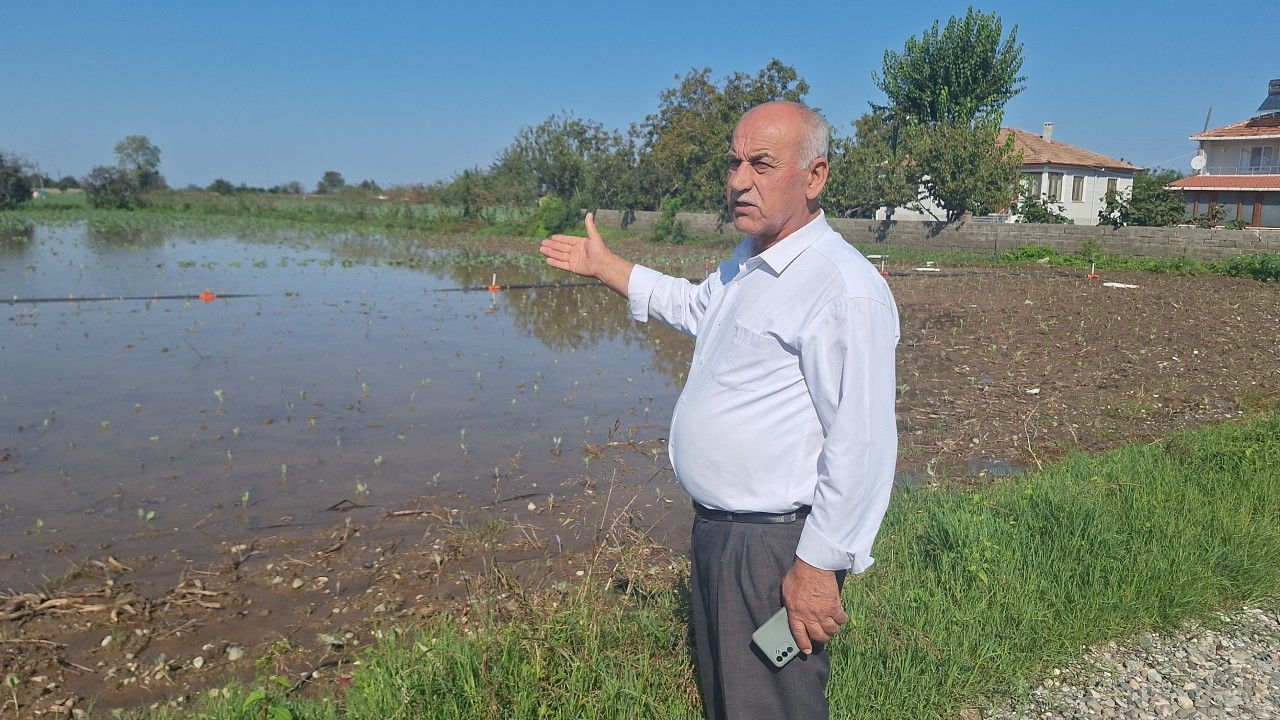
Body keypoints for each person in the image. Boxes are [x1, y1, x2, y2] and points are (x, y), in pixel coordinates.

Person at [539, 101, 899, 720]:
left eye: (761, 164)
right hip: (719, 535)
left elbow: (863, 444)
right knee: (729, 701)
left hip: (775, 547)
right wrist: (606, 267)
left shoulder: (841, 288)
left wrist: (818, 567)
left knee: (772, 704)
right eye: (734, 162)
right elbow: (695, 307)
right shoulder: (750, 262)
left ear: (814, 178)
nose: (737, 180)